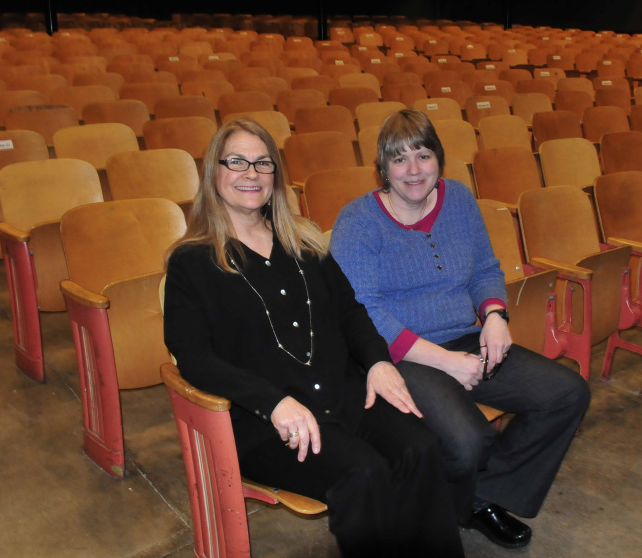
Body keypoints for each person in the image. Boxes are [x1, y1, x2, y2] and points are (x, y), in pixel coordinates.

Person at [162, 118, 464, 557]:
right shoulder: (191, 263)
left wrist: (378, 361)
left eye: (263, 164)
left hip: (341, 394)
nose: (252, 174)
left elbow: (350, 312)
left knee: (421, 448)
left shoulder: (303, 242)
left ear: (275, 177)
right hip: (264, 421)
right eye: (237, 162)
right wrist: (273, 402)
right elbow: (194, 358)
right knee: (363, 473)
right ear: (214, 173)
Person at [330, 109, 591, 550]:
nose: (414, 170)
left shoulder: (460, 199)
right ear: (383, 168)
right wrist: (447, 363)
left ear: (440, 160)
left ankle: (478, 498)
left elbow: (485, 268)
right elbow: (363, 311)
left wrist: (493, 316)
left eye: (423, 155)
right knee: (470, 441)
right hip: (400, 355)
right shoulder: (358, 222)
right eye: (399, 159)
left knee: (567, 394)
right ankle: (450, 506)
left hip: (465, 337)